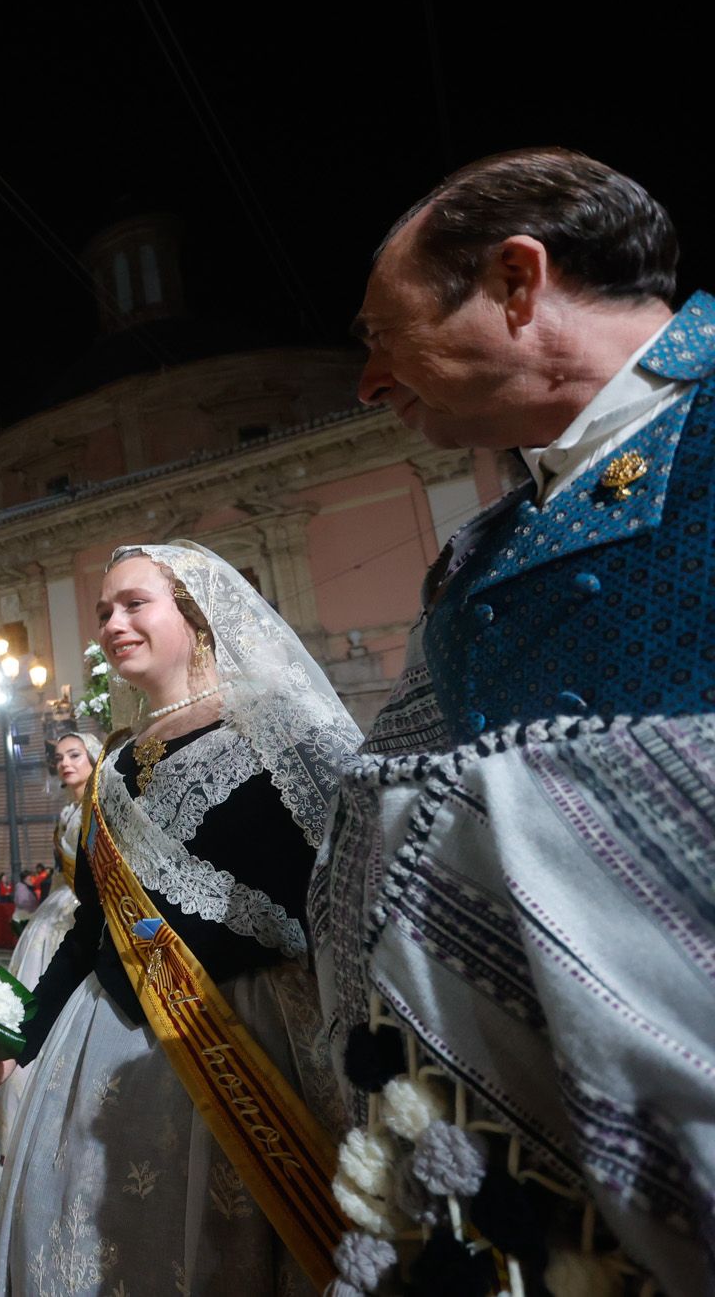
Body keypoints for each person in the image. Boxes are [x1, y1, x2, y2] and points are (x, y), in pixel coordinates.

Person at [314, 149, 715, 1295]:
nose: (365, 383)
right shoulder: (476, 549)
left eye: (379, 335)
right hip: (519, 1149)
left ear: (516, 281)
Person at [0, 542, 359, 1296]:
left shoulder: (284, 733)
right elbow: (87, 935)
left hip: (255, 1041)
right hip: (101, 1047)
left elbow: (349, 896)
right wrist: (14, 1046)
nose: (112, 621)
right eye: (105, 609)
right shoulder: (113, 767)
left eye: (135, 602)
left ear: (195, 616)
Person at [0, 731, 98, 1161]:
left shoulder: (100, 803)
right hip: (55, 915)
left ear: (94, 757)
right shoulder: (65, 812)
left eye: (75, 755)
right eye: (59, 757)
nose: (65, 763)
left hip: (89, 911)